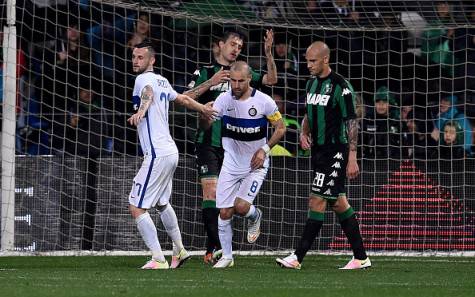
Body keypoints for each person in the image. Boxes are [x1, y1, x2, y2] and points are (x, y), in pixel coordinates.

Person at [184, 29, 278, 264]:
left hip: (237, 148)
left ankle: (222, 242)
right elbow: (185, 97)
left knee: (236, 205)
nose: (236, 49)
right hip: (208, 142)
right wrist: (210, 82)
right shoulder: (205, 71)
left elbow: (272, 80)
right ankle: (215, 248)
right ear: (220, 45)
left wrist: (268, 53)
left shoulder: (242, 74)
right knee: (212, 195)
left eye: (240, 46)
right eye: (233, 44)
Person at [276, 41, 371, 270]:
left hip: (336, 151)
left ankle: (297, 257)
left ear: (325, 59)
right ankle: (361, 257)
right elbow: (309, 112)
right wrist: (303, 132)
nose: (308, 65)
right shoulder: (310, 84)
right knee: (338, 203)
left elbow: (352, 122)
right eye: (307, 60)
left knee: (317, 200)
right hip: (318, 152)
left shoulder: (341, 86)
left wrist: (352, 156)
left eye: (312, 61)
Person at [127, 41, 217, 270]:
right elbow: (184, 99)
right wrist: (203, 109)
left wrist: (141, 111)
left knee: (136, 206)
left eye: (140, 57)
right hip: (171, 151)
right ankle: (180, 249)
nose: (135, 60)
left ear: (151, 60)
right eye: (134, 56)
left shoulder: (143, 80)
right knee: (162, 203)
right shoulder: (163, 81)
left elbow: (146, 94)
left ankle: (158, 258)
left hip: (157, 153)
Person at [200, 61, 285, 268]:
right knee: (224, 212)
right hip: (230, 163)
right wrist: (204, 115)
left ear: (249, 80)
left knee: (240, 207)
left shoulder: (264, 101)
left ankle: (255, 215)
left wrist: (264, 150)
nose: (236, 85)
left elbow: (281, 128)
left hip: (255, 164)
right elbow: (205, 125)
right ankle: (228, 258)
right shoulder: (223, 99)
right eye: (233, 81)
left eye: (240, 81)